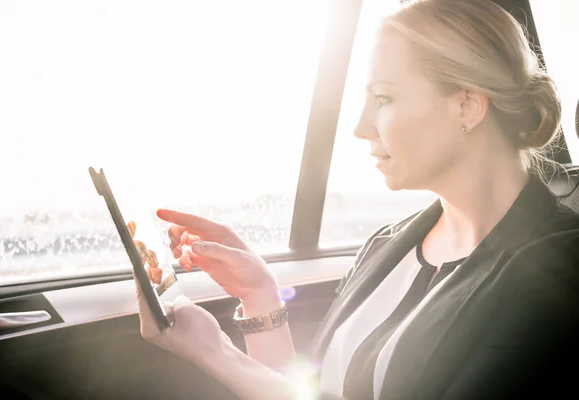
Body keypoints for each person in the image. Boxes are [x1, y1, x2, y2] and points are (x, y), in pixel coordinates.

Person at [132, 0, 579, 398]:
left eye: (383, 98)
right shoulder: (388, 245)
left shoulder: (559, 274)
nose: (360, 127)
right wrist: (260, 298)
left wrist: (218, 355)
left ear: (467, 106)